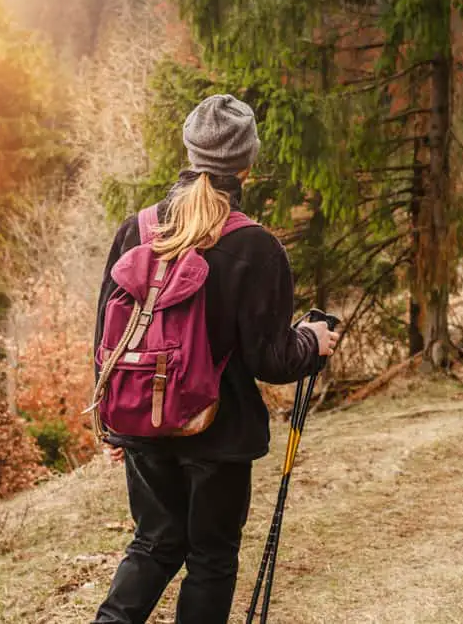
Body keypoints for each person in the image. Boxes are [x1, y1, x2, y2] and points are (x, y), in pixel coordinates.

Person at [91, 94, 339, 624]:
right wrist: (312, 342)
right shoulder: (255, 246)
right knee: (209, 558)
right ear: (247, 163)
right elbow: (270, 360)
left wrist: (114, 425)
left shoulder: (136, 230)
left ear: (188, 151)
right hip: (218, 432)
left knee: (154, 543)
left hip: (143, 420)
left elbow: (105, 339)